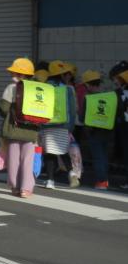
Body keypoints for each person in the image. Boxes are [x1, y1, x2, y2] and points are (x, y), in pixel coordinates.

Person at [0, 57, 38, 198]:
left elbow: (3, 109)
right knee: (28, 160)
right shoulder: (36, 88)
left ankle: (15, 187)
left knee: (13, 159)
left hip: (14, 129)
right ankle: (26, 189)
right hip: (31, 130)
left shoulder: (11, 88)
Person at [41, 60, 78, 189]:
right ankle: (72, 173)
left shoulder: (44, 87)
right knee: (62, 151)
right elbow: (73, 110)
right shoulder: (68, 89)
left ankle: (50, 181)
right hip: (63, 125)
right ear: (61, 74)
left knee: (50, 153)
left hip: (48, 125)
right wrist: (70, 126)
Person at [79, 70, 110, 189]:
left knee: (98, 157)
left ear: (88, 85)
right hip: (107, 131)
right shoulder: (108, 97)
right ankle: (105, 180)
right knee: (104, 156)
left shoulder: (89, 98)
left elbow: (82, 118)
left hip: (93, 132)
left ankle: (101, 181)